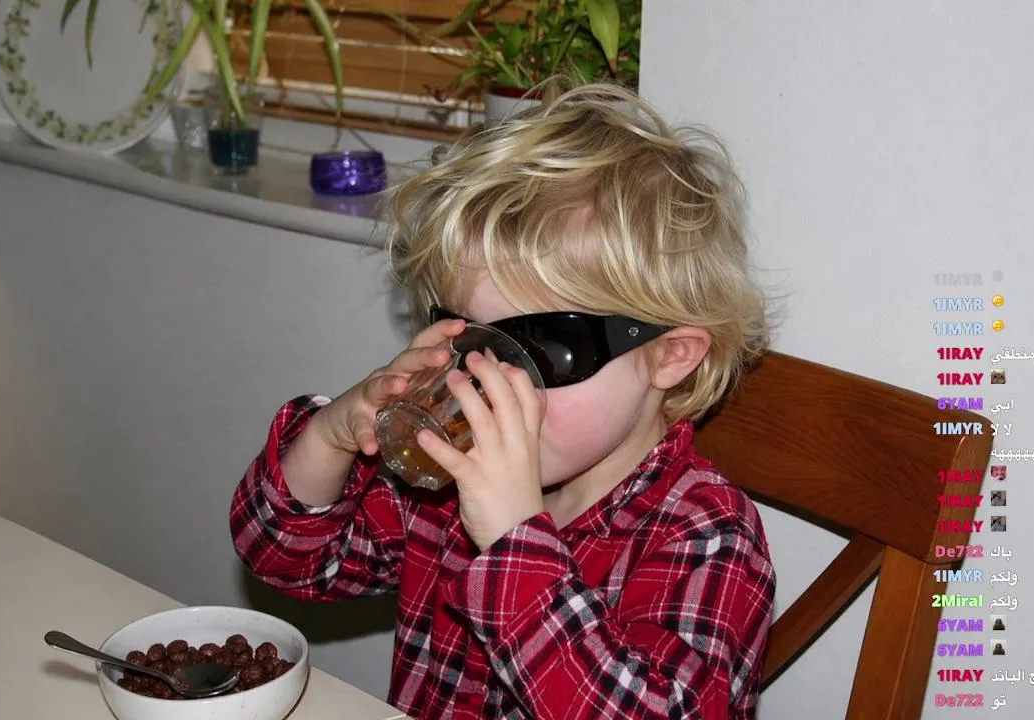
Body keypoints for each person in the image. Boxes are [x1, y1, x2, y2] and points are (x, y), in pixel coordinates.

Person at [230, 82, 777, 719]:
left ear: (670, 354)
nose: (489, 381)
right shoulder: (446, 480)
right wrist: (330, 435)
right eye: (467, 338)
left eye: (543, 346)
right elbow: (287, 558)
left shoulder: (705, 536)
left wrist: (514, 541)